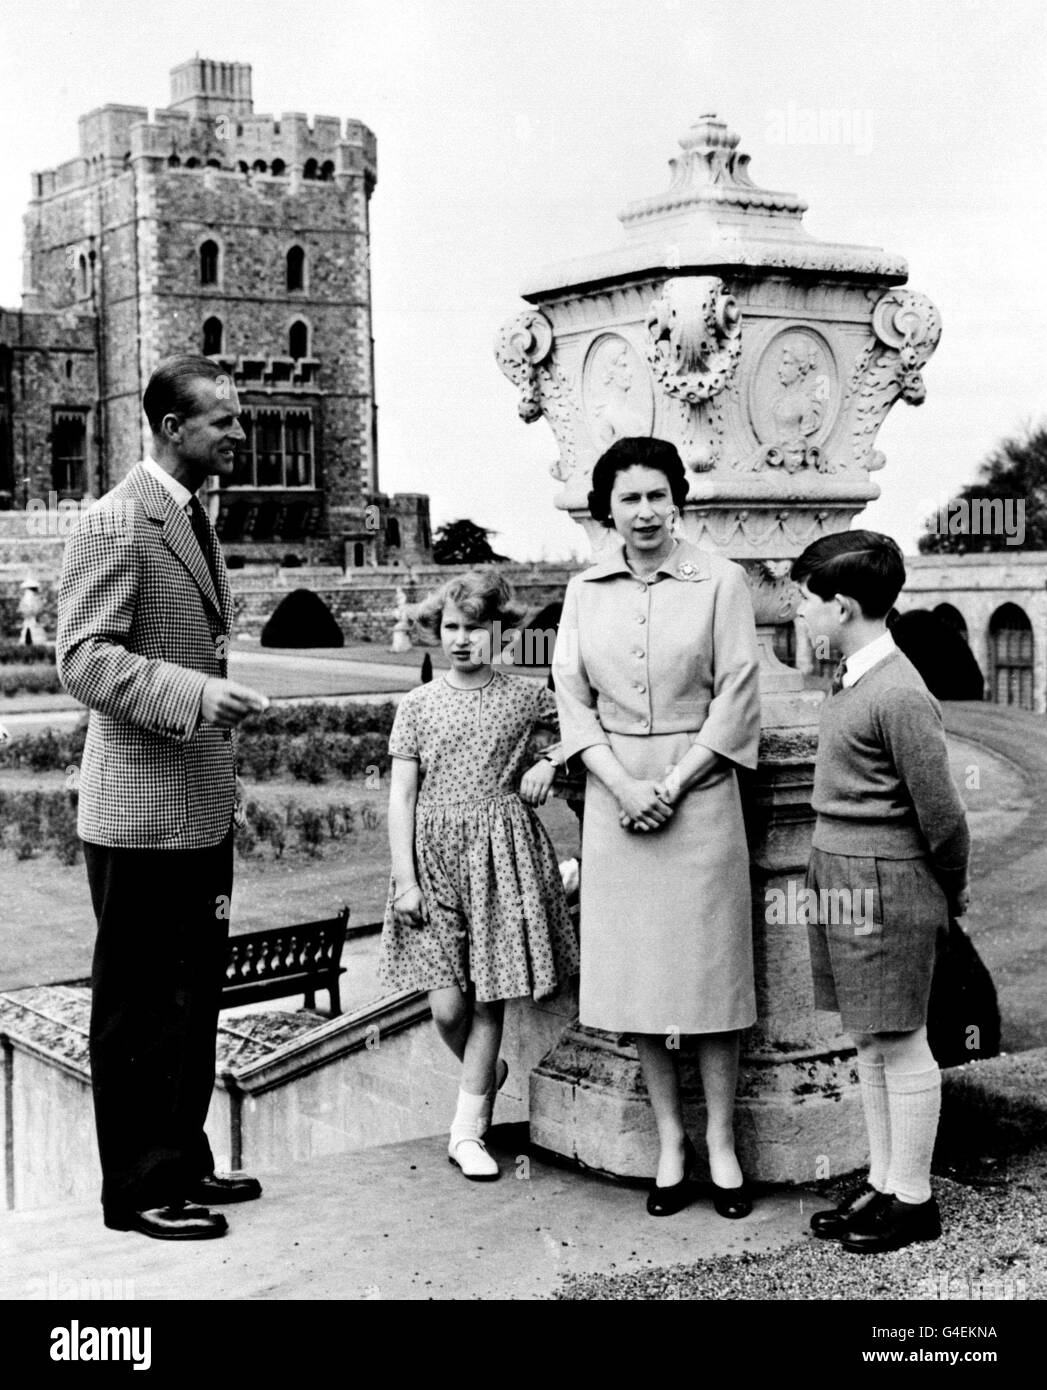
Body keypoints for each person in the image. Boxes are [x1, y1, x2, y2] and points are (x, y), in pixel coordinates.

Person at [56, 354, 269, 1240]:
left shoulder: (185, 516)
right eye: (222, 419)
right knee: (141, 1007)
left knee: (192, 998)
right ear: (170, 427)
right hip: (139, 819)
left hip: (192, 811)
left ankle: (182, 1161)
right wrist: (194, 694)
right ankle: (139, 1192)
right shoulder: (115, 523)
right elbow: (82, 658)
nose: (239, 432)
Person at [552, 436, 761, 1218]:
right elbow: (571, 699)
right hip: (616, 807)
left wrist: (669, 785)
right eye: (628, 498)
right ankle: (670, 1143)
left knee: (710, 979)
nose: (643, 512)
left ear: (679, 498)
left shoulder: (722, 581)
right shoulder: (583, 591)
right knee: (640, 982)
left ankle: (722, 1148)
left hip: (699, 801)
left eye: (655, 495)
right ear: (606, 507)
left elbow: (737, 697)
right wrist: (619, 785)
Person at [792, 530, 970, 1254]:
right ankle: (886, 1181)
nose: (799, 616)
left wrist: (947, 896)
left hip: (885, 885)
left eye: (805, 603)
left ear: (839, 607)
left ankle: (915, 1201)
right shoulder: (854, 678)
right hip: (839, 875)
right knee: (869, 1035)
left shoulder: (898, 692)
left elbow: (944, 817)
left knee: (899, 1040)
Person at [379, 569, 579, 1180]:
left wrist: (550, 758)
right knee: (446, 1007)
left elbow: (584, 725)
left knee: (490, 999)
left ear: (500, 634)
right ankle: (484, 1073)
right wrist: (405, 879)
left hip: (500, 855)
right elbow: (402, 799)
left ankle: (468, 1132)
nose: (462, 640)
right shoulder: (416, 705)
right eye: (451, 628)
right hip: (433, 858)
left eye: (476, 630)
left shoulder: (523, 697)